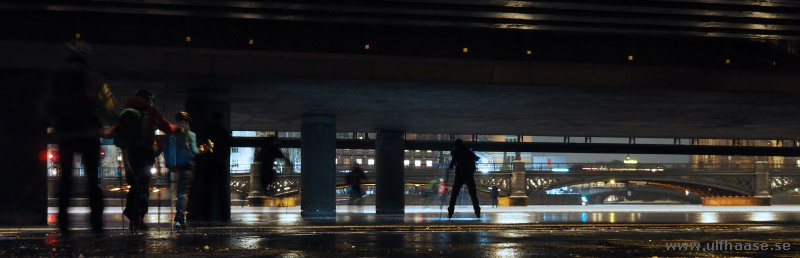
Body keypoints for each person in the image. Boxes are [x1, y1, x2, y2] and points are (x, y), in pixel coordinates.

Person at [48, 39, 116, 236]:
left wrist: (46, 123)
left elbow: (48, 102)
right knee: (93, 180)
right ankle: (96, 224)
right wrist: (112, 120)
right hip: (88, 133)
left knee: (65, 179)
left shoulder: (57, 77)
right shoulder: (94, 77)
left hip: (66, 133)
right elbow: (109, 105)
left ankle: (63, 225)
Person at [118, 89, 176, 230]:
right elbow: (167, 129)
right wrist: (176, 129)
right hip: (145, 153)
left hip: (129, 153)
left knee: (134, 185)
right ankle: (139, 217)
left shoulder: (126, 111)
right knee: (143, 185)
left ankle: (131, 214)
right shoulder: (152, 112)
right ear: (149, 100)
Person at [159, 111, 203, 228]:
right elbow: (195, 151)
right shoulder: (191, 134)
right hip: (187, 168)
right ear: (188, 122)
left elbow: (160, 148)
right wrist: (203, 149)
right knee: (182, 193)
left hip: (173, 167)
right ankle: (179, 219)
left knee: (174, 192)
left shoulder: (170, 134)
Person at [447, 139, 481, 219]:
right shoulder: (467, 150)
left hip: (460, 175)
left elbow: (454, 160)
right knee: (473, 195)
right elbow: (476, 158)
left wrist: (450, 167)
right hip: (469, 174)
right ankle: (477, 211)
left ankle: (450, 212)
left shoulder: (456, 151)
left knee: (454, 194)